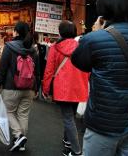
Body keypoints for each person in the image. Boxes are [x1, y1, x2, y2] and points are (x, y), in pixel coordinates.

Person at [71, 0, 128, 155]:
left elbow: (79, 61)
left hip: (104, 123)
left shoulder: (95, 39)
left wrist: (95, 33)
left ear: (101, 14)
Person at [42, 21, 89, 156]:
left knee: (68, 118)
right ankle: (68, 142)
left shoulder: (55, 48)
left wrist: (45, 89)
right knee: (71, 117)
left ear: (60, 32)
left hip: (62, 87)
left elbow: (49, 70)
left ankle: (76, 151)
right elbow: (88, 67)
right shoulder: (82, 47)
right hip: (79, 86)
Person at [0, 21, 39, 152]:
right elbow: (37, 71)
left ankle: (18, 136)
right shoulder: (33, 49)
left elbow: (3, 67)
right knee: (23, 115)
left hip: (11, 87)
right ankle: (21, 143)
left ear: (16, 32)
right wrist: (36, 88)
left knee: (9, 112)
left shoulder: (9, 47)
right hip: (29, 88)